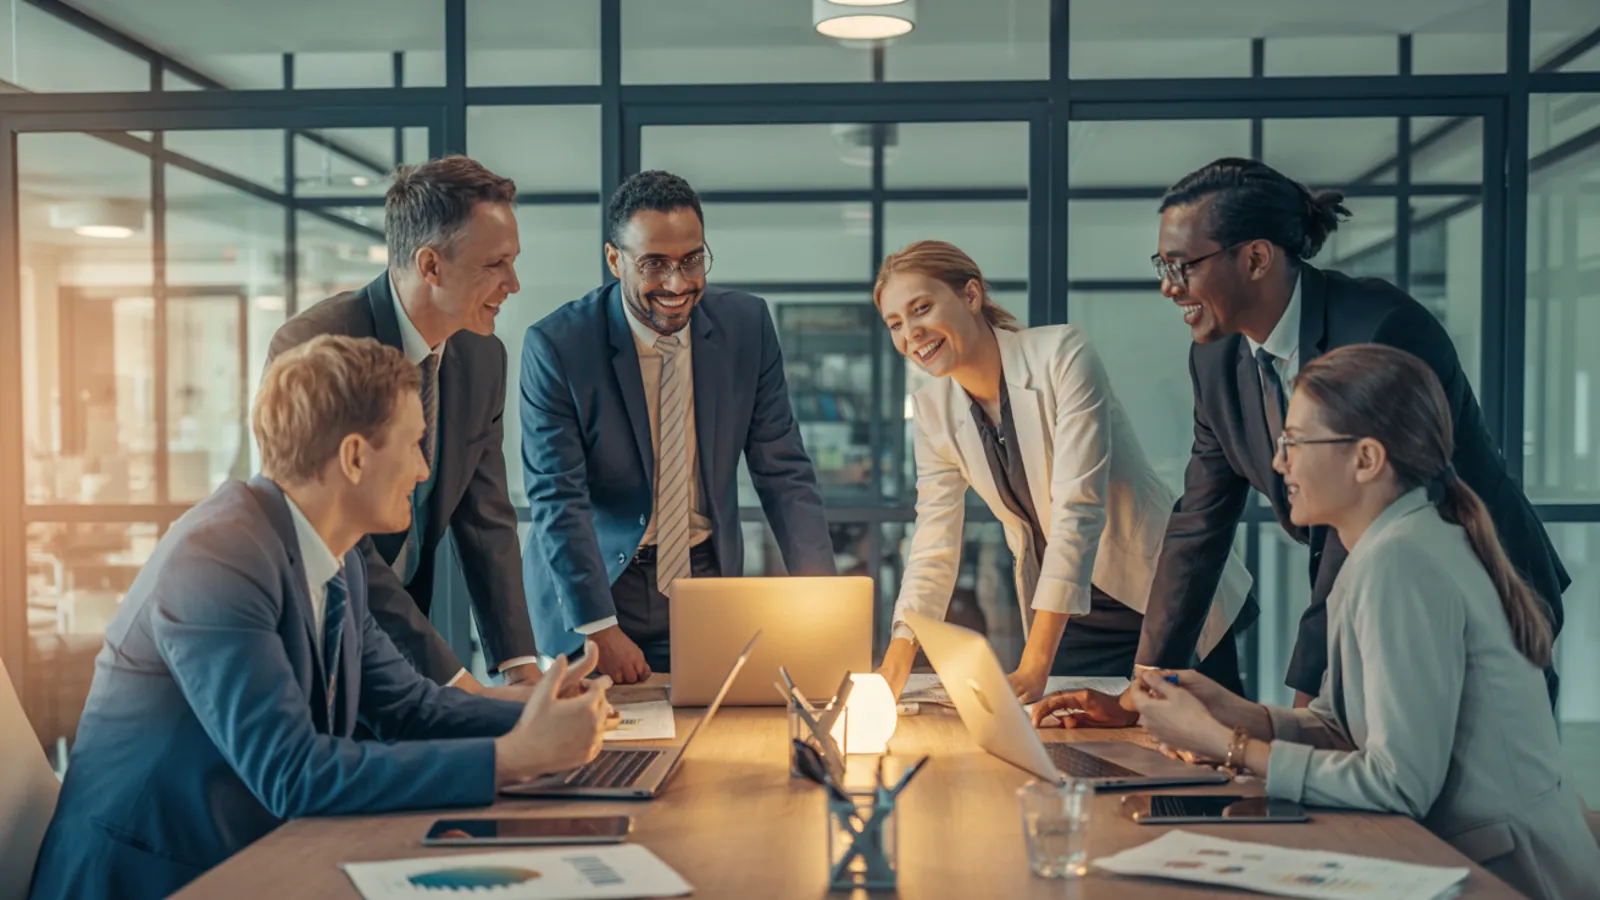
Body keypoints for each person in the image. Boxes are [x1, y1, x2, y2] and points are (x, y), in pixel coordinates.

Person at [28, 336, 612, 900]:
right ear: (354, 456)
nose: (422, 469)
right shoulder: (218, 558)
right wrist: (513, 758)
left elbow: (408, 707)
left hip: (256, 858)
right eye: (412, 444)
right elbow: (292, 772)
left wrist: (530, 714)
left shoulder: (338, 556)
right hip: (154, 879)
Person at [1059, 344, 1599, 900]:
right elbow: (1349, 729)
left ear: (1366, 459)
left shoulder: (1402, 562)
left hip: (1508, 878)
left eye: (1294, 443)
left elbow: (1396, 784)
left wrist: (1226, 744)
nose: (1278, 463)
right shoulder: (1391, 545)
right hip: (1468, 859)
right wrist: (1242, 715)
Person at [1139, 157, 1565, 707]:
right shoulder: (1216, 361)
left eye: (1182, 267)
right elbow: (1199, 524)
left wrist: (1309, 703)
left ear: (1256, 258)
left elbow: (1363, 523)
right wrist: (1148, 685)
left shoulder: (1381, 330)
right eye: (1163, 267)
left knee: (1465, 787)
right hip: (1382, 600)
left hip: (1477, 596)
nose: (1170, 289)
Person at [871, 241, 1254, 703]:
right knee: (1074, 751)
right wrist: (899, 653)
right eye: (895, 324)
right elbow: (933, 540)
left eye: (922, 308)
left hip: (1165, 597)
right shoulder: (932, 411)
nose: (911, 333)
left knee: (1203, 751)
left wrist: (1033, 665)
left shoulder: (1061, 355)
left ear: (971, 295)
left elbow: (1079, 508)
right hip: (1069, 615)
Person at [520, 170, 835, 683]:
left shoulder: (746, 328)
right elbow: (558, 498)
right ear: (614, 259)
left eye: (691, 260)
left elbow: (784, 470)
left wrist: (824, 600)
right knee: (596, 750)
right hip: (594, 586)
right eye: (654, 265)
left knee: (710, 738)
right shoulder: (558, 347)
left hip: (701, 578)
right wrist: (599, 627)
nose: (678, 283)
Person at [269, 156, 540, 693]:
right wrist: (454, 679)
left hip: (407, 629)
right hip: (316, 639)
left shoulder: (485, 358)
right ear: (431, 266)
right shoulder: (316, 349)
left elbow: (485, 517)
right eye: (495, 264)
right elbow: (336, 536)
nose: (513, 283)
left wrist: (520, 669)